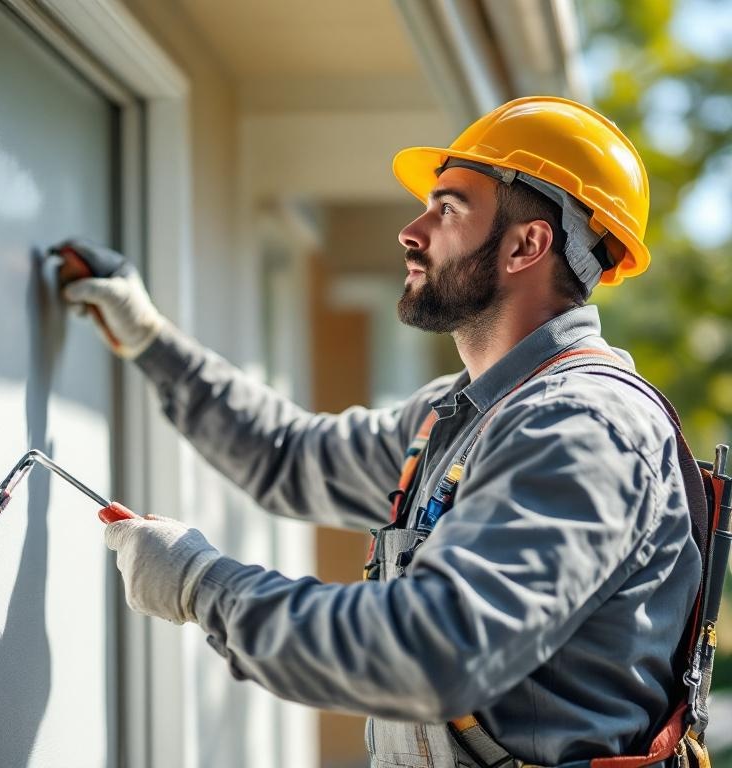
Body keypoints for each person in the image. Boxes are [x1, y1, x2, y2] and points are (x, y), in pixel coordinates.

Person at [54, 96, 702, 767]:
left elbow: (433, 652)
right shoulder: (460, 417)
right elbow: (287, 455)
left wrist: (202, 587)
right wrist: (150, 341)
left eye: (447, 208)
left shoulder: (580, 428)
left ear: (525, 245)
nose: (411, 230)